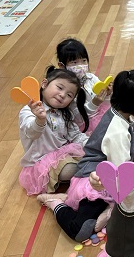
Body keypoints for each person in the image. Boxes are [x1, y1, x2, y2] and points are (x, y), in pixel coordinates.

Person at [37, 69, 134, 242]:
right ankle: (56, 203)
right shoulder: (116, 132)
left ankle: (104, 207)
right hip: (94, 181)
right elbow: (122, 175)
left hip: (108, 177)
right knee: (81, 231)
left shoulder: (123, 116)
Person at [56, 38, 134, 133]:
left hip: (102, 113)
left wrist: (107, 94)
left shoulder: (91, 78)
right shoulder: (65, 89)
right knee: (118, 130)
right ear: (62, 66)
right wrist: (94, 104)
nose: (81, 66)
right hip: (85, 125)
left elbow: (106, 103)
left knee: (122, 119)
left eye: (84, 61)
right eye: (74, 62)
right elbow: (77, 118)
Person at [18, 67, 89, 196]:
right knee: (69, 170)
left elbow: (75, 136)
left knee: (90, 152)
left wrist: (91, 144)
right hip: (41, 162)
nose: (62, 95)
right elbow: (32, 133)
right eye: (60, 88)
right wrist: (40, 120)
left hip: (63, 153)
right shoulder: (27, 111)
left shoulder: (64, 114)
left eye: (69, 95)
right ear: (44, 84)